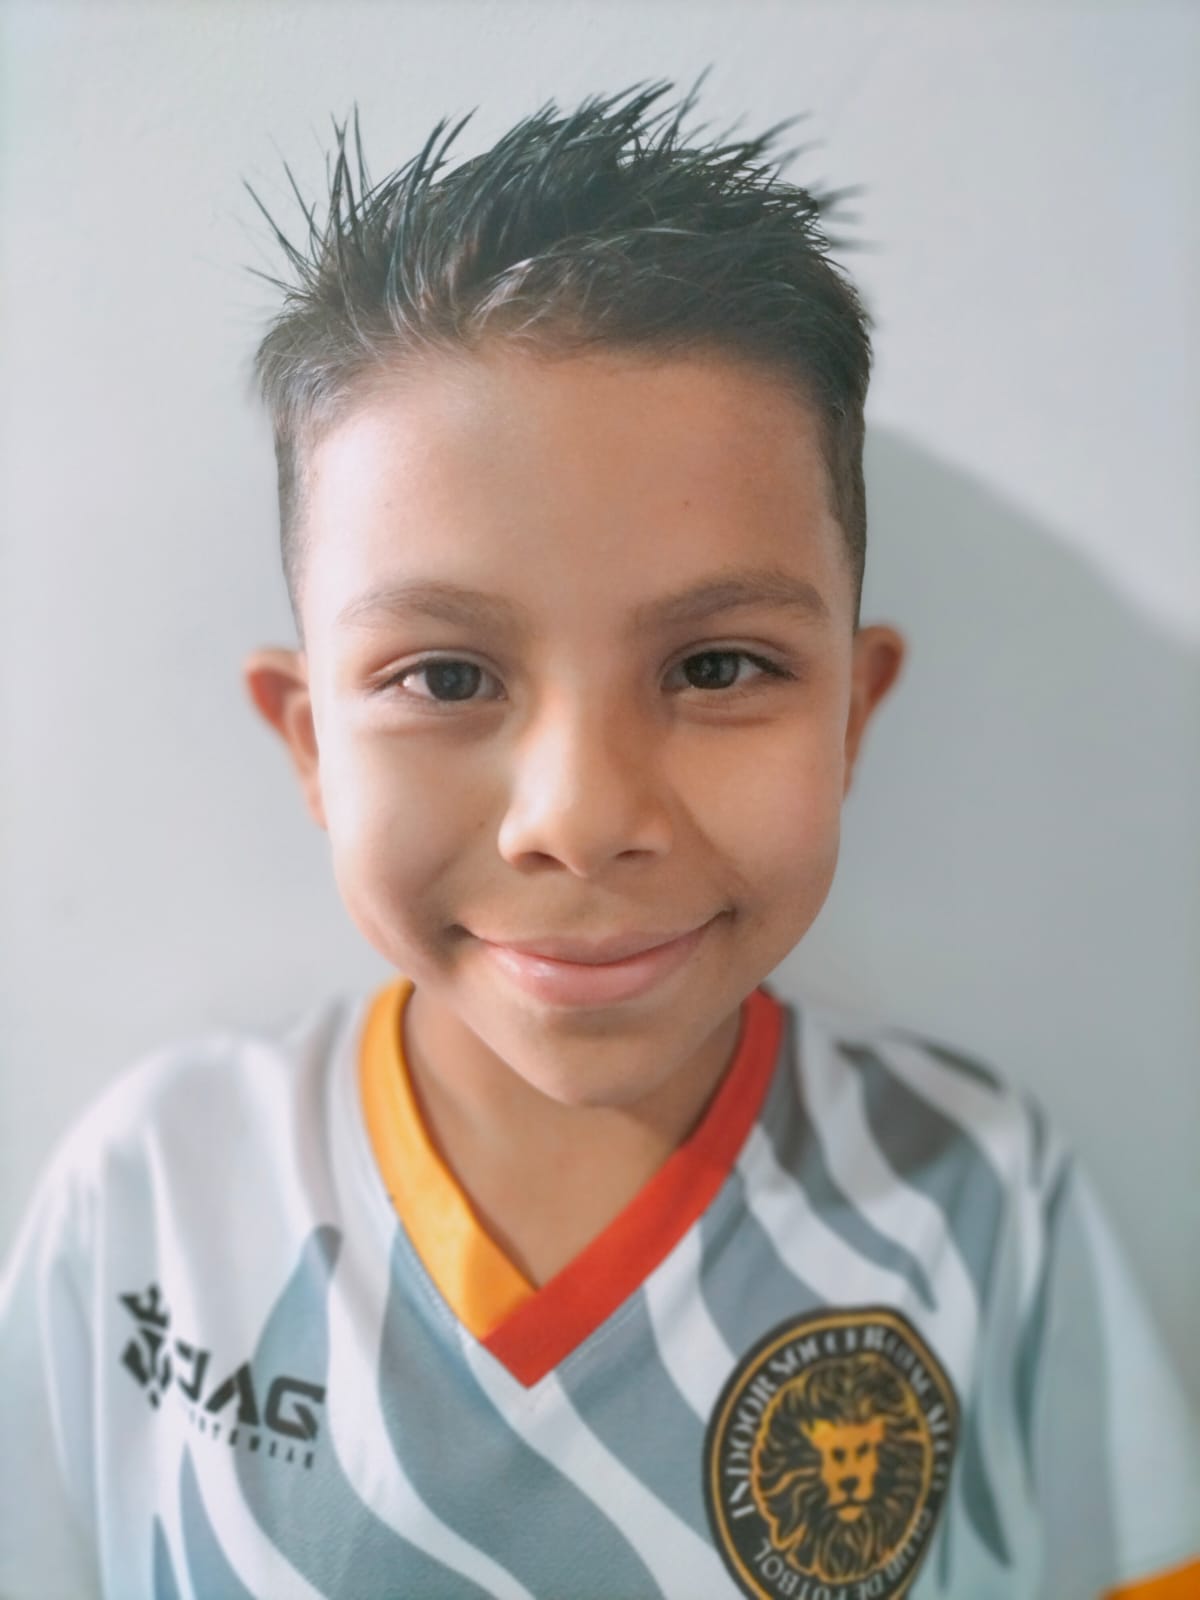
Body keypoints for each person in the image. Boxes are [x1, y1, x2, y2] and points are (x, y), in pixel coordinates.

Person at [1, 77, 1196, 1600]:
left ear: (852, 714)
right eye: (446, 678)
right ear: (309, 743)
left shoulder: (979, 1196)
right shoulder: (157, 1197)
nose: (578, 820)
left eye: (717, 666)